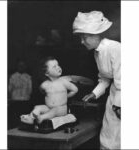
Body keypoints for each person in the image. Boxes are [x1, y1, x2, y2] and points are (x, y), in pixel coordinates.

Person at [73, 11, 121, 149]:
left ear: (95, 35)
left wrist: (119, 106)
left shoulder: (115, 48)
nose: (82, 42)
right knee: (108, 137)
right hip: (114, 97)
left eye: (84, 37)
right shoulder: (97, 52)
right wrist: (94, 93)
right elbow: (105, 78)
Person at [20, 56, 78, 124]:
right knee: (38, 107)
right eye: (54, 66)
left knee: (55, 110)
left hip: (61, 109)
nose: (58, 67)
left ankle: (41, 118)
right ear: (47, 73)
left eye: (58, 65)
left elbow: (75, 89)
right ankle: (31, 118)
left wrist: (66, 96)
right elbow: (42, 91)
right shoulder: (44, 85)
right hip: (49, 108)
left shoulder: (63, 82)